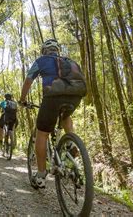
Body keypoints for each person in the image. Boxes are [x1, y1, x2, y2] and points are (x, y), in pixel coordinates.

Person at [19, 39, 84, 189]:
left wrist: (22, 100)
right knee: (66, 116)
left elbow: (28, 81)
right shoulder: (70, 61)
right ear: (57, 50)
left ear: (44, 51)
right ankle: (70, 145)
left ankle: (41, 175)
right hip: (75, 96)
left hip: (52, 97)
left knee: (42, 133)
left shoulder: (41, 61)